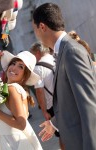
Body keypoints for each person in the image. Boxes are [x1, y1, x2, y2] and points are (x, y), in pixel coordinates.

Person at [32, 2, 96, 150]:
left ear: (42, 27)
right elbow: (71, 101)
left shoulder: (71, 51)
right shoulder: (64, 50)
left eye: (34, 29)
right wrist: (54, 122)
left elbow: (88, 105)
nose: (36, 34)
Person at [0, 50, 43, 150]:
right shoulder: (9, 88)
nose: (14, 67)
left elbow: (21, 124)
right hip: (13, 141)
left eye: (20, 67)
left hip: (16, 143)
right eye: (13, 63)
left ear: (24, 76)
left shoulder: (12, 89)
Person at [30, 42, 64, 150]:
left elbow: (39, 91)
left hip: (54, 106)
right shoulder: (57, 58)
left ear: (38, 53)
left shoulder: (37, 68)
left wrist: (44, 111)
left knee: (62, 135)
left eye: (33, 55)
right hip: (68, 100)